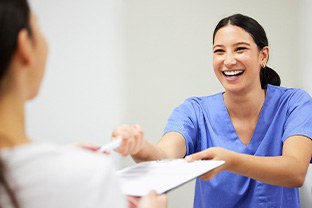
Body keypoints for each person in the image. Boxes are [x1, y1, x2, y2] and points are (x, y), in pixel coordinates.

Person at [112, 14, 312, 208]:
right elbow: (164, 156)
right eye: (219, 51)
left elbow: (295, 171)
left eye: (240, 49)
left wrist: (230, 161)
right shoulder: (195, 111)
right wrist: (139, 147)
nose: (229, 60)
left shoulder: (294, 104)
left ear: (263, 55)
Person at [0, 0, 167, 207]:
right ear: (24, 46)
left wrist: (62, 156)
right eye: (39, 27)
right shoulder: (89, 175)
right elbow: (168, 155)